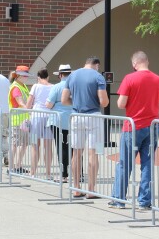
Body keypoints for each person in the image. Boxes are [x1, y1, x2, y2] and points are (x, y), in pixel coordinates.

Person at [109, 51, 159, 210]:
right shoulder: (158, 79)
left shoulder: (129, 78)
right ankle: (144, 201)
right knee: (147, 164)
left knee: (125, 164)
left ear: (134, 64)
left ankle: (119, 199)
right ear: (147, 61)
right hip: (153, 126)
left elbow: (121, 103)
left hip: (132, 126)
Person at [61, 56, 108, 199]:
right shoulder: (98, 77)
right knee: (94, 153)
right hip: (93, 116)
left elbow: (64, 100)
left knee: (76, 153)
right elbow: (104, 102)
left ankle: (76, 187)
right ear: (96, 65)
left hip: (76, 116)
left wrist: (75, 102)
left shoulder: (72, 75)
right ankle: (91, 190)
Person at [46, 64, 73, 182]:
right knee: (73, 147)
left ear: (60, 75)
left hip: (58, 121)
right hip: (72, 120)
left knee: (61, 147)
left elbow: (49, 104)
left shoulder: (56, 87)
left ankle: (63, 174)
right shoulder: (74, 85)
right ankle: (76, 173)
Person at [26, 68, 54, 178]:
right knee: (48, 146)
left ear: (38, 77)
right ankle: (48, 173)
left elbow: (29, 103)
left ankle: (33, 172)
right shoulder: (52, 87)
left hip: (36, 117)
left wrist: (28, 112)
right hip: (49, 117)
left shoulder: (35, 86)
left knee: (34, 145)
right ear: (48, 77)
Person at [8, 66, 31, 173]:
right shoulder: (16, 87)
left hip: (25, 120)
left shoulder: (23, 86)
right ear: (19, 76)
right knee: (14, 144)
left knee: (25, 143)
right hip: (17, 120)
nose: (27, 77)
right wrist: (30, 108)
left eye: (27, 75)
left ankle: (18, 165)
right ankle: (11, 167)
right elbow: (20, 102)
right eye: (25, 75)